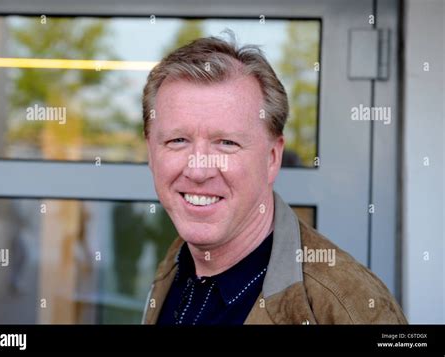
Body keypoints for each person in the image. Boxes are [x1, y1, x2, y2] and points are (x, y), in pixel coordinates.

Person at [141, 34, 407, 325]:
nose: (199, 170)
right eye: (178, 140)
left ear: (272, 158)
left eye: (227, 143)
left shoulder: (346, 307)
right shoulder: (176, 263)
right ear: (151, 153)